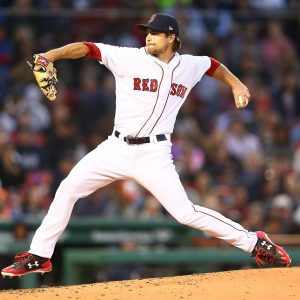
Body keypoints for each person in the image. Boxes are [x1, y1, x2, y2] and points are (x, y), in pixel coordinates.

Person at [1, 13, 291, 278]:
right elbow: (88, 47)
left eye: (155, 32)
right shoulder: (128, 57)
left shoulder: (188, 65)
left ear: (172, 39)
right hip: (115, 148)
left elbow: (213, 66)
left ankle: (255, 243)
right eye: (147, 31)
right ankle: (39, 255)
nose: (148, 36)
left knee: (185, 213)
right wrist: (50, 55)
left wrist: (236, 84)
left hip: (154, 154)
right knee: (68, 188)